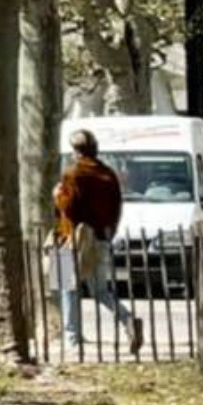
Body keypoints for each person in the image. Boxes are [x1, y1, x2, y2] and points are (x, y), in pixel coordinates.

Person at [55, 127, 145, 355]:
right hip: (100, 237)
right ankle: (127, 319)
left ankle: (72, 337)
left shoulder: (73, 174)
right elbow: (117, 208)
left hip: (70, 238)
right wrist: (108, 233)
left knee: (67, 286)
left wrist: (58, 196)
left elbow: (69, 207)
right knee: (101, 290)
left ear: (76, 150)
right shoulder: (108, 175)